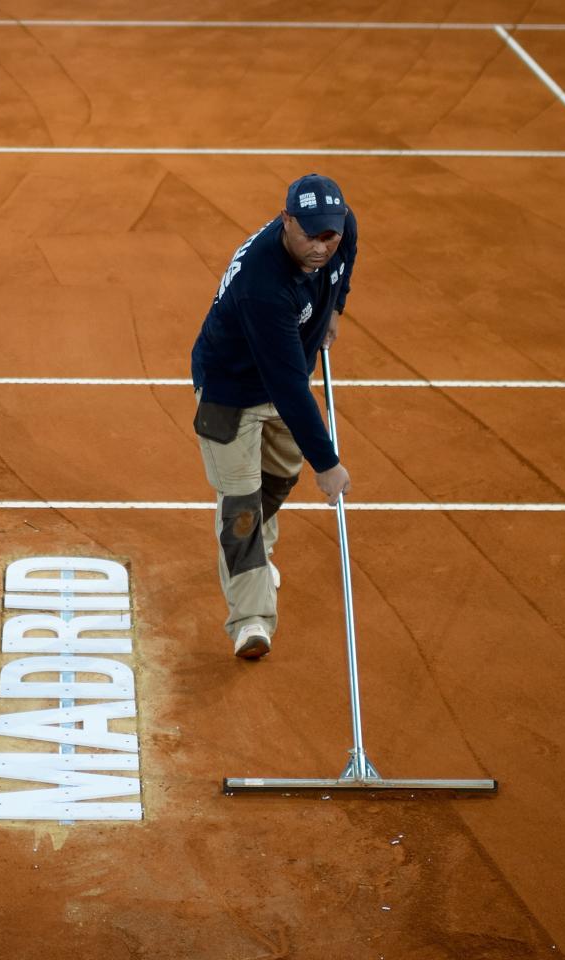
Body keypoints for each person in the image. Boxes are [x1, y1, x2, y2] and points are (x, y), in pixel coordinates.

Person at [189, 172, 356, 660]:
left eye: (331, 235)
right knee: (242, 507)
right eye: (311, 236)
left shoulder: (338, 230)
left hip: (282, 378)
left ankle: (254, 559)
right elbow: (287, 389)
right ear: (287, 221)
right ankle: (251, 619)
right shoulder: (264, 286)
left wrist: (335, 310)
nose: (323, 247)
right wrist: (328, 464)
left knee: (280, 478)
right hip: (230, 390)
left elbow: (345, 258)